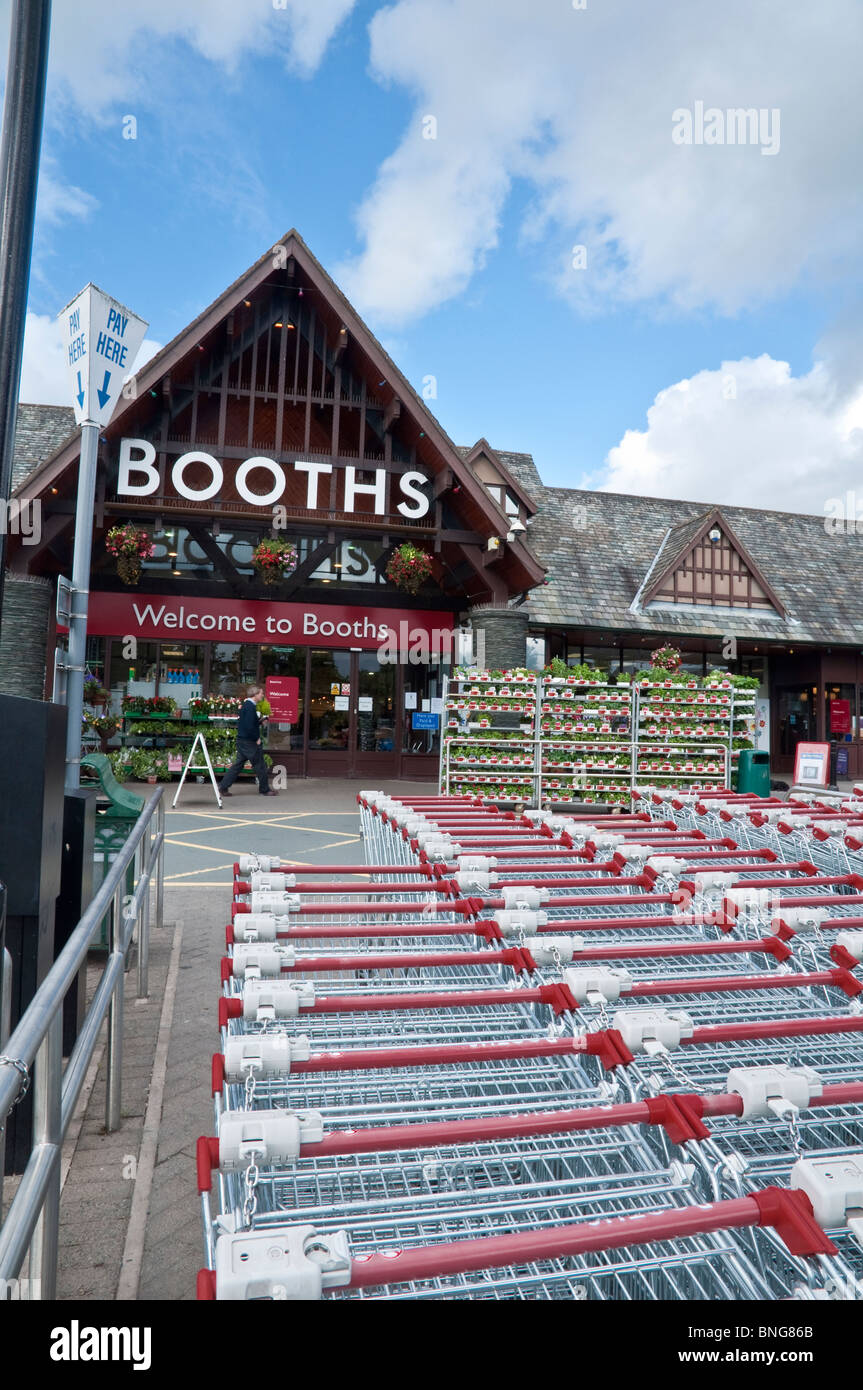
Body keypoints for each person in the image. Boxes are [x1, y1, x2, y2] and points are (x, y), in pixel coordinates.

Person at [218, 684, 277, 797]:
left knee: (238, 765)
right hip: (249, 742)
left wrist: (260, 721)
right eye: (261, 693)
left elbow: (248, 723)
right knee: (260, 765)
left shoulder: (247, 705)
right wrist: (257, 738)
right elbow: (250, 727)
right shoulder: (250, 707)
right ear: (255, 694)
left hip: (243, 740)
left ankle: (223, 786)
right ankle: (265, 790)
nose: (262, 695)